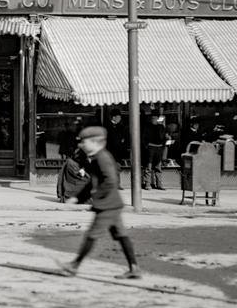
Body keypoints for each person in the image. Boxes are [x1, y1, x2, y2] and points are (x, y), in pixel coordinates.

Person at [61, 125, 140, 279]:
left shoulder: (102, 158)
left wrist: (96, 196)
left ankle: (74, 265)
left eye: (84, 142)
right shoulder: (97, 157)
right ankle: (134, 268)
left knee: (92, 235)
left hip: (107, 206)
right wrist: (78, 198)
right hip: (112, 203)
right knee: (122, 235)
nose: (81, 145)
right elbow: (92, 182)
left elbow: (111, 180)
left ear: (96, 142)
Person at [143, 114, 169, 190]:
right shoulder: (147, 126)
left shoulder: (161, 127)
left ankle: (159, 184)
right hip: (151, 146)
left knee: (158, 165)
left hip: (159, 147)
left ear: (157, 118)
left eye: (155, 118)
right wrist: (146, 146)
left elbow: (164, 137)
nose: (153, 119)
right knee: (149, 166)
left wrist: (163, 145)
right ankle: (148, 184)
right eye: (152, 118)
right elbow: (143, 138)